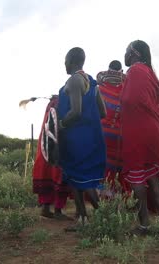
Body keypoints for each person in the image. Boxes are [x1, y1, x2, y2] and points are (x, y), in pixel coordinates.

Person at [121, 40, 159, 235]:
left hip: (138, 127)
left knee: (137, 176)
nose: (125, 54)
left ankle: (145, 224)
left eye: (127, 51)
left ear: (135, 53)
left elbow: (131, 99)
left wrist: (120, 101)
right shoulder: (149, 71)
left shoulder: (135, 70)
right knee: (153, 176)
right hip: (152, 128)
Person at [58, 47, 107, 230]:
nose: (64, 64)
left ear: (71, 60)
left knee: (81, 179)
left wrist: (61, 124)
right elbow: (103, 112)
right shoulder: (92, 83)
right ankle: (83, 219)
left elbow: (75, 111)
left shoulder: (73, 81)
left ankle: (102, 216)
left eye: (65, 60)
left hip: (75, 138)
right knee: (77, 178)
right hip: (91, 137)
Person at [32, 95, 72, 220]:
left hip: (46, 149)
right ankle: (58, 210)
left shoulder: (50, 110)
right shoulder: (60, 108)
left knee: (47, 174)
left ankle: (46, 208)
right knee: (59, 175)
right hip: (57, 148)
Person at [97, 60, 129, 195]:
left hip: (101, 134)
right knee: (120, 167)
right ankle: (123, 198)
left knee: (103, 168)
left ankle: (104, 199)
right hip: (121, 136)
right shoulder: (126, 89)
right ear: (121, 71)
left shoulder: (99, 90)